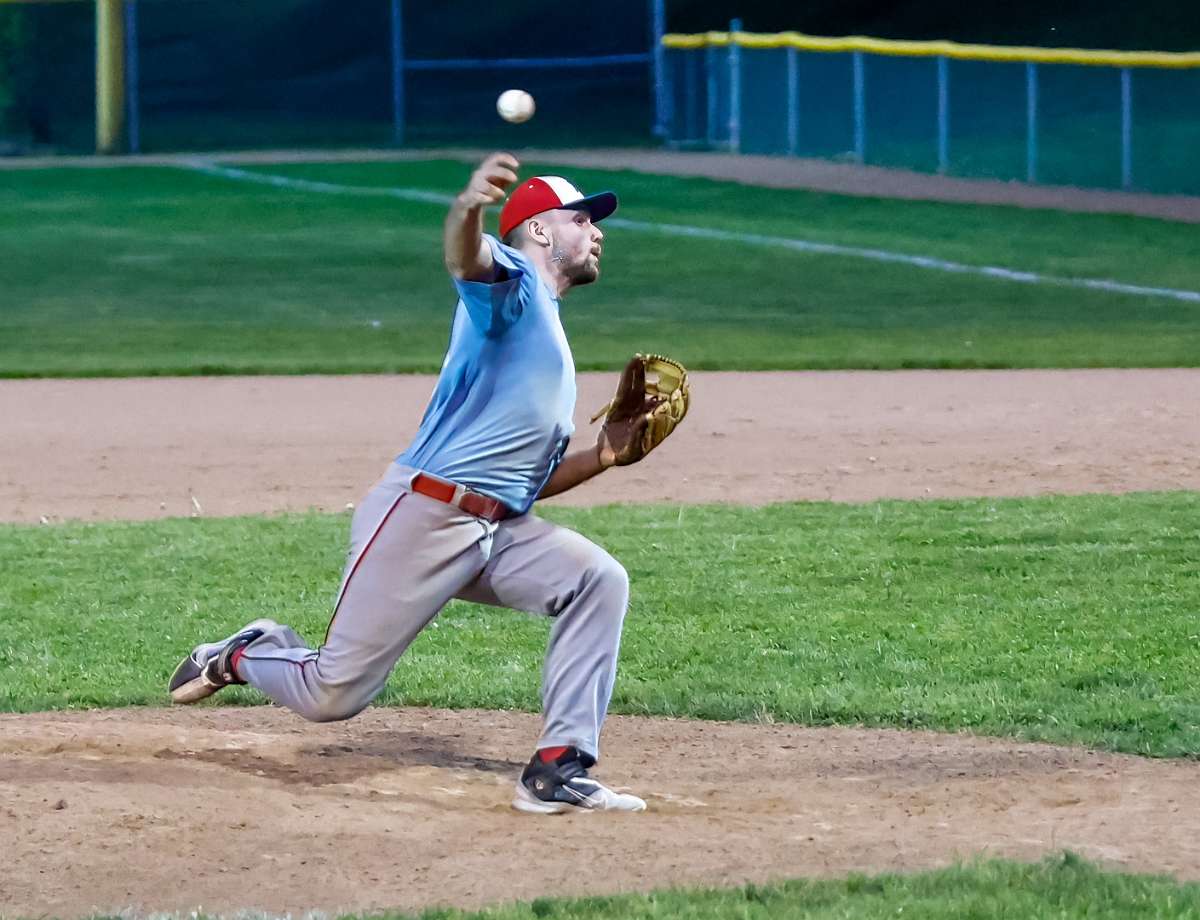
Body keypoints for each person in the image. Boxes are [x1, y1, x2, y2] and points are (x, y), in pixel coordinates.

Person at [169, 152, 669, 814]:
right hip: (424, 515)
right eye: (581, 219)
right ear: (539, 230)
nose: (597, 231)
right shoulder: (514, 286)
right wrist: (468, 207)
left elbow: (521, 483)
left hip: (494, 528)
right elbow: (467, 260)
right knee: (331, 695)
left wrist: (603, 456)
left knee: (597, 579)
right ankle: (244, 654)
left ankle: (557, 767)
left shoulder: (545, 325)